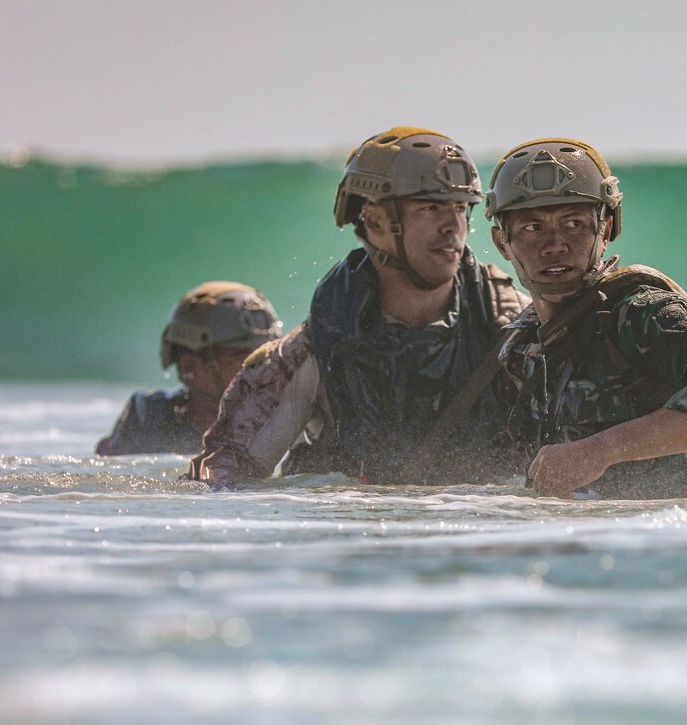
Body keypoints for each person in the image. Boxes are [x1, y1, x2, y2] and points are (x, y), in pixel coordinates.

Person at [188, 127, 529, 487]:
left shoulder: (508, 324)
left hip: (484, 525)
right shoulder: (317, 346)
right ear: (375, 220)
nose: (454, 226)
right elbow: (219, 477)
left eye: (461, 208)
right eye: (431, 207)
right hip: (354, 524)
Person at [485, 138, 687, 499]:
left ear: (604, 232)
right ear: (502, 242)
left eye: (574, 223)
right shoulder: (523, 345)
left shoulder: (640, 313)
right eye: (532, 228)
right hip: (593, 533)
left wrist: (601, 451)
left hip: (684, 532)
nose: (555, 244)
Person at [96, 281, 282, 456]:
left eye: (267, 352)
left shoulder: (285, 419)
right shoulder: (151, 419)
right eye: (241, 356)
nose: (263, 365)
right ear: (191, 366)